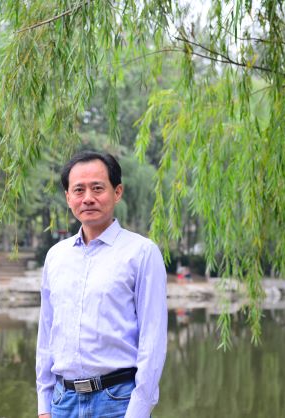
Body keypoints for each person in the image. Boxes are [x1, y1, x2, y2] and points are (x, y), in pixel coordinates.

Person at [36, 151, 168, 418]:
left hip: (117, 401)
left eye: (97, 188)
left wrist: (138, 411)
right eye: (79, 190)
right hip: (62, 402)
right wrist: (44, 405)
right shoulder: (56, 256)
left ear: (117, 192)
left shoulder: (141, 253)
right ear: (68, 197)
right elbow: (47, 332)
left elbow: (153, 339)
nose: (88, 198)